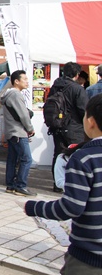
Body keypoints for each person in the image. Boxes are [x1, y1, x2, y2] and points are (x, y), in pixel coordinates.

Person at [23, 93, 102, 275]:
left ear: (91, 121)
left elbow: (71, 206)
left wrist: (35, 207)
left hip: (88, 259)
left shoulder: (84, 157)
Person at [48, 62, 87, 193]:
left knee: (58, 154)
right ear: (77, 75)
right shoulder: (77, 89)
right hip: (74, 127)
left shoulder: (55, 86)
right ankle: (71, 183)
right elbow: (83, 110)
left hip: (56, 125)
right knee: (74, 155)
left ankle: (57, 183)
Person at [1, 70, 36, 197]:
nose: (27, 81)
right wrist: (30, 128)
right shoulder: (15, 94)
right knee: (26, 159)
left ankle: (11, 185)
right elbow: (23, 115)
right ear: (16, 81)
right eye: (25, 79)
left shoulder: (8, 94)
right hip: (18, 132)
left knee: (12, 159)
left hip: (11, 132)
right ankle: (20, 186)